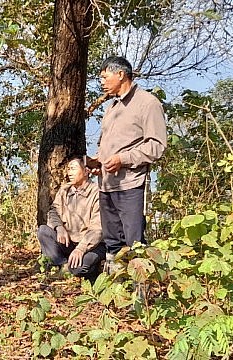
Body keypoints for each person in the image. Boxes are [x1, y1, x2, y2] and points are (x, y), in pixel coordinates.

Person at [87, 56, 167, 272]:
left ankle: (140, 295)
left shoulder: (147, 103)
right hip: (106, 185)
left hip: (131, 185)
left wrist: (122, 160)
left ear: (120, 74)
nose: (101, 82)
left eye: (104, 77)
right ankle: (117, 293)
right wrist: (97, 162)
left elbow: (156, 146)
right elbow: (110, 147)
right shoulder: (112, 107)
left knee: (135, 245)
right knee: (112, 243)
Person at [37, 158, 106, 281]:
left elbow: (98, 228)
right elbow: (53, 211)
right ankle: (63, 265)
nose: (69, 172)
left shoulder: (97, 192)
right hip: (70, 243)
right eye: (68, 169)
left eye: (73, 168)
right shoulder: (65, 190)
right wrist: (59, 227)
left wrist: (81, 248)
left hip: (92, 245)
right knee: (43, 231)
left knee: (79, 268)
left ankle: (90, 270)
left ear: (86, 172)